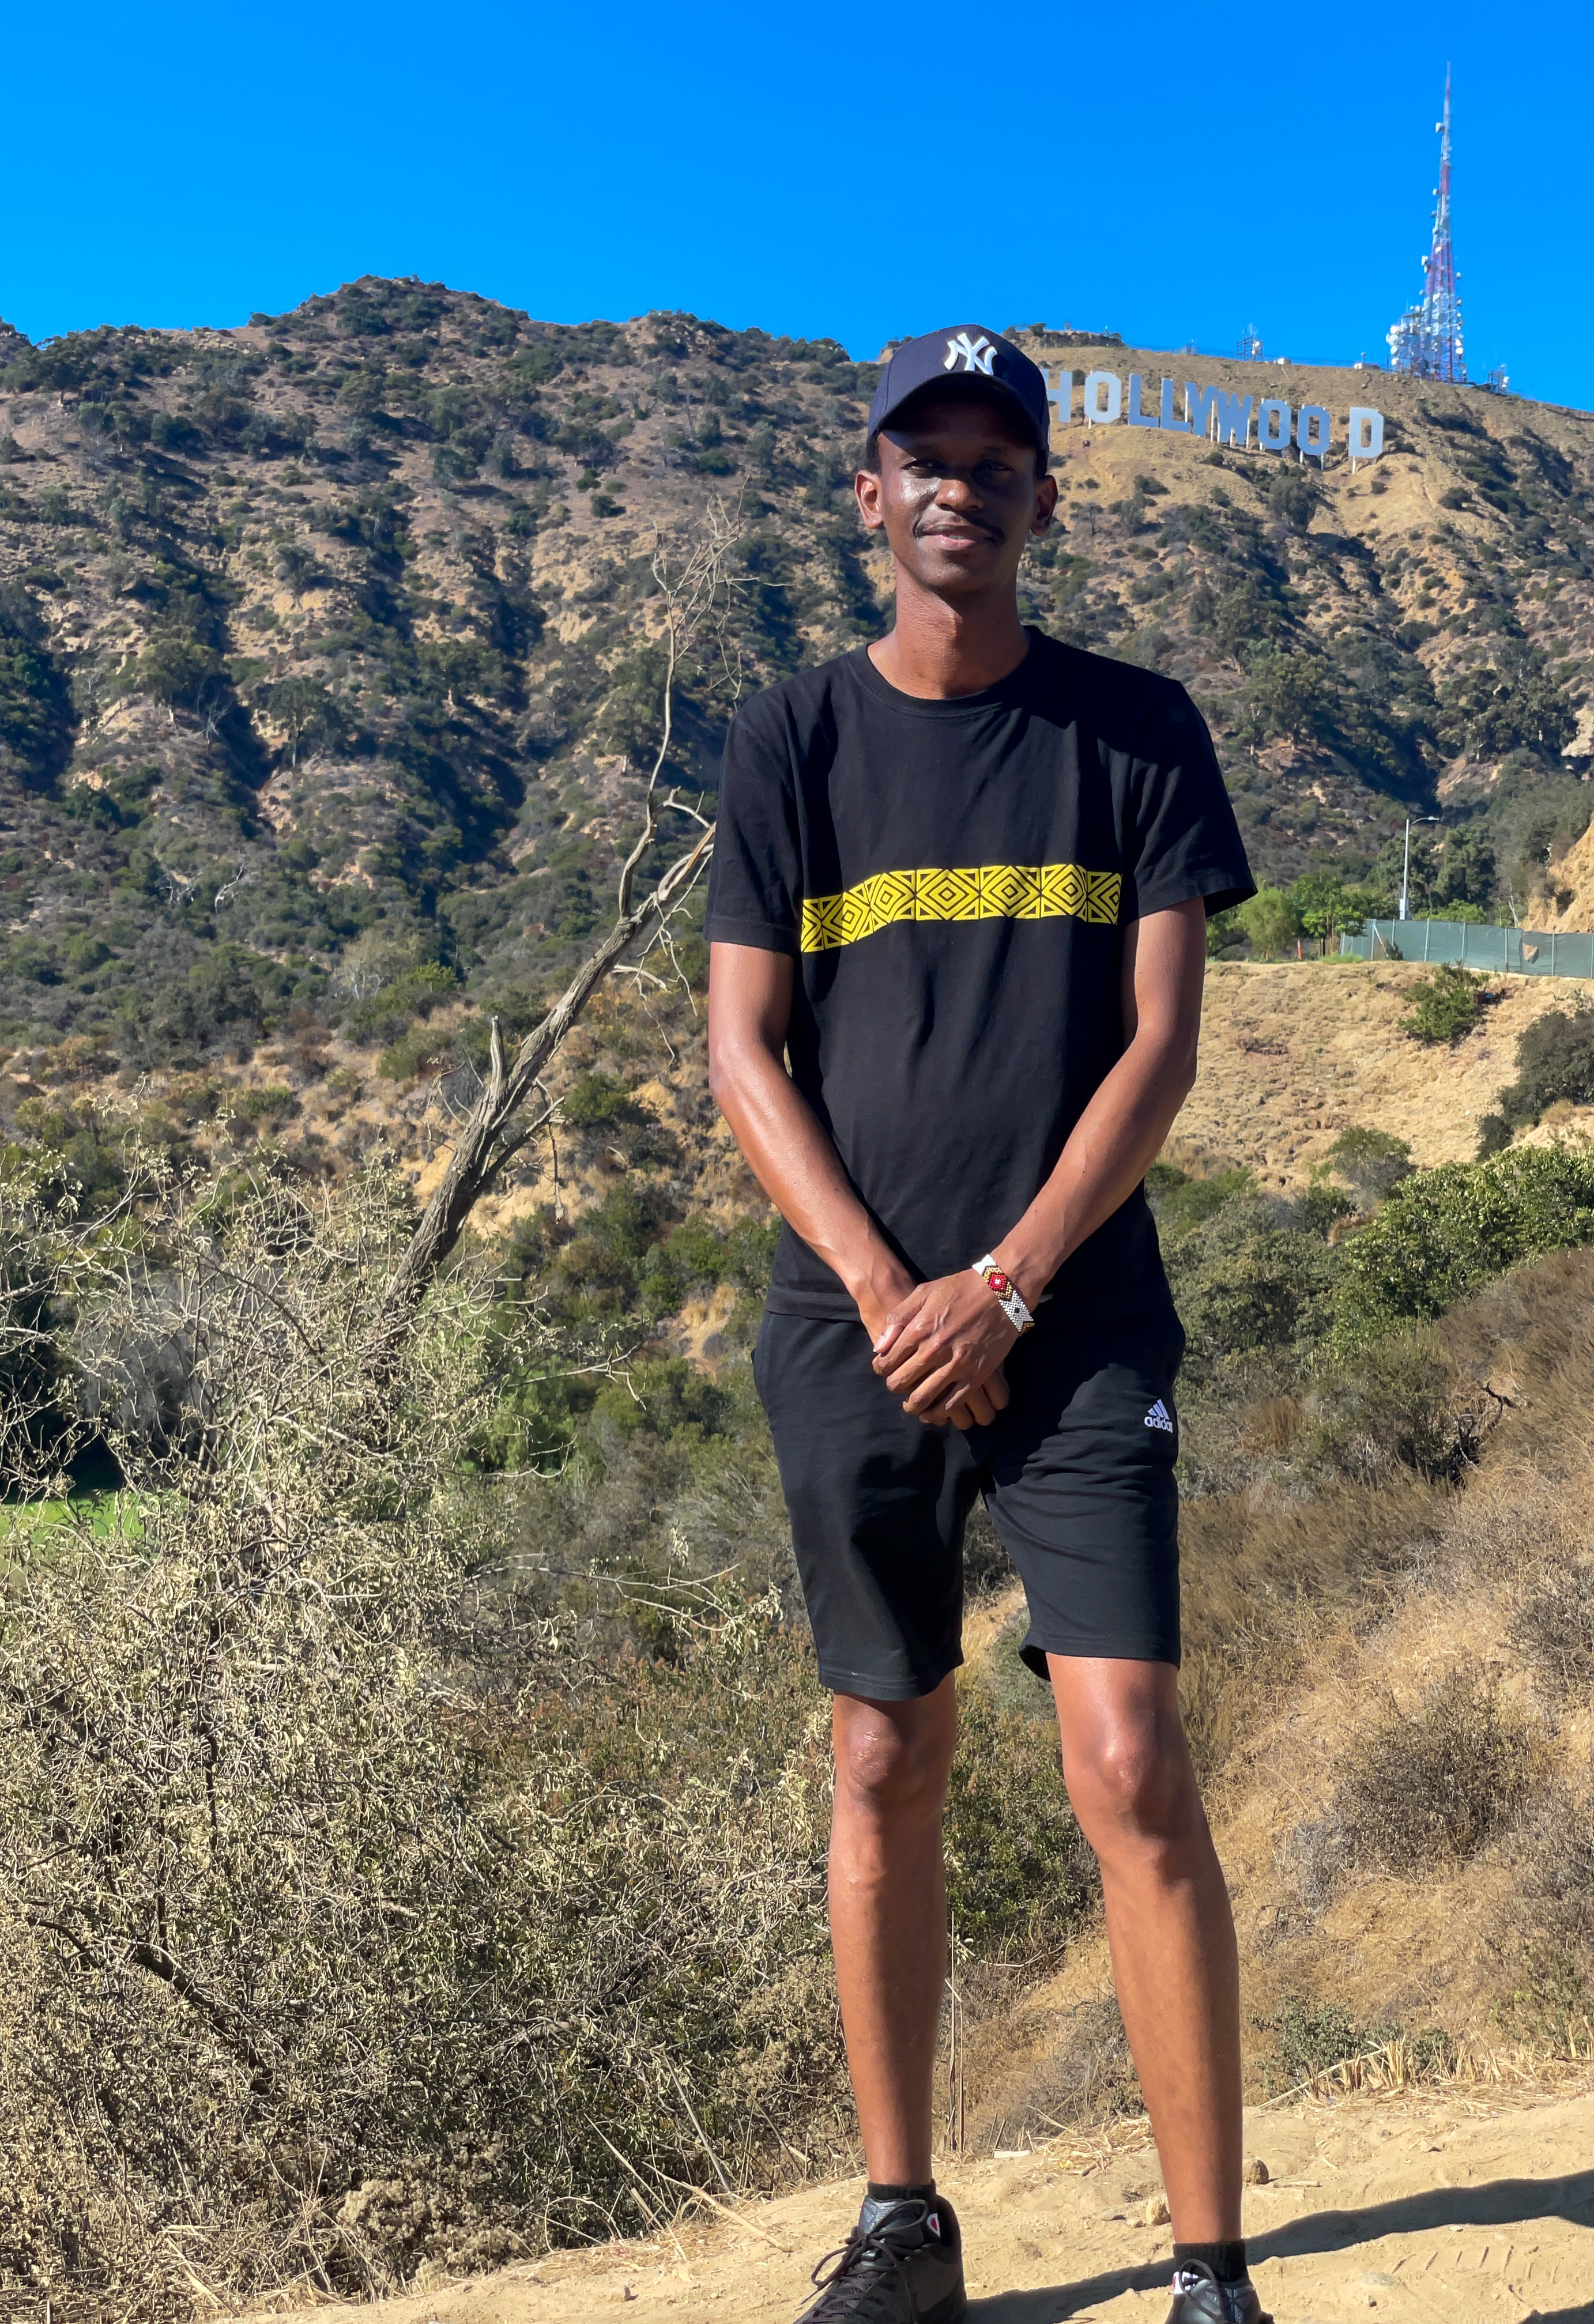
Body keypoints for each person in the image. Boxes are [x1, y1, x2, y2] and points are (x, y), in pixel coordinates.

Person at [703, 326, 1263, 2324]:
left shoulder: (1136, 732)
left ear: (1045, 497)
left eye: (995, 456)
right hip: (853, 1328)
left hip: (1076, 1316)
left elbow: (1160, 1048)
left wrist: (1008, 1284)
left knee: (1128, 1760)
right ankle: (901, 2224)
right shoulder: (790, 741)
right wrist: (890, 1293)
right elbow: (744, 1051)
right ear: (870, 493)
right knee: (883, 1751)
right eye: (923, 456)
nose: (961, 485)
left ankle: (1210, 2268)